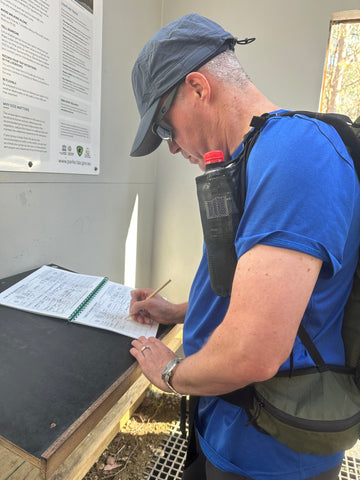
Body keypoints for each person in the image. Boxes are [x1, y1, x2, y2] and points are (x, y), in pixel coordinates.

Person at [128, 13, 360, 480]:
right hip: (228, 423)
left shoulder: (295, 154)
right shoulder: (255, 155)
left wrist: (169, 374)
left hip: (273, 452)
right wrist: (176, 312)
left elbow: (252, 352)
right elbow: (247, 285)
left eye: (165, 127)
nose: (171, 148)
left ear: (198, 87)